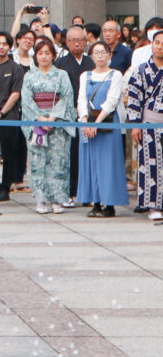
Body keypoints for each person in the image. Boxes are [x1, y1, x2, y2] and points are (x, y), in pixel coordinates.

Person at [21, 36, 75, 213]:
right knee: (38, 161)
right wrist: (39, 118)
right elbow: (27, 100)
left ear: (53, 55)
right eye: (40, 53)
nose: (43, 57)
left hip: (57, 124)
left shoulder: (61, 75)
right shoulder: (29, 76)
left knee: (59, 162)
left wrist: (53, 117)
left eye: (47, 53)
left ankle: (58, 199)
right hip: (37, 123)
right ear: (35, 56)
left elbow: (67, 98)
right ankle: (41, 200)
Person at [77, 41, 129, 217]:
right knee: (90, 163)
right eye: (96, 52)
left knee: (109, 164)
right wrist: (85, 120)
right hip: (88, 125)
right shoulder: (85, 75)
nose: (100, 56)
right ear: (91, 55)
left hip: (107, 122)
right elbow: (81, 99)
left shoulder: (116, 75)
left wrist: (96, 123)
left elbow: (112, 101)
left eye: (103, 52)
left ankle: (110, 204)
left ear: (109, 55)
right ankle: (95, 202)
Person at [54, 26, 94, 207]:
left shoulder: (91, 62)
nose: (76, 43)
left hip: (87, 114)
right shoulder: (60, 63)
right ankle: (68, 191)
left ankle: (86, 192)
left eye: (80, 40)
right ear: (67, 42)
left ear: (86, 42)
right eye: (72, 40)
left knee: (87, 153)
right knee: (68, 154)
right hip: (67, 114)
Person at [126, 30, 163, 222]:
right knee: (150, 165)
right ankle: (152, 205)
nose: (160, 46)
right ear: (152, 44)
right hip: (149, 123)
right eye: (157, 42)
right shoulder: (141, 70)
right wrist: (135, 124)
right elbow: (133, 99)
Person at [0, 32, 25, 202]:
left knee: (8, 154)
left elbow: (15, 94)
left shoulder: (15, 68)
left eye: (5, 44)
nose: (1, 47)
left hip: (9, 116)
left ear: (10, 47)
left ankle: (5, 188)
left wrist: (1, 112)